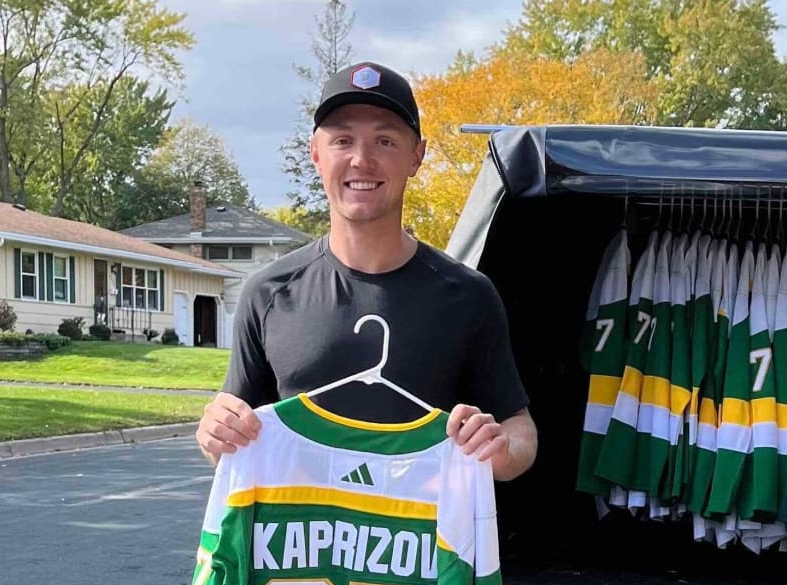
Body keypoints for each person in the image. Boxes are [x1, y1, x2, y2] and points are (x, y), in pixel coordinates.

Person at [194, 61, 537, 481]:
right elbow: (233, 443)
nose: (362, 159)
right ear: (316, 155)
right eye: (343, 140)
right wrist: (217, 433)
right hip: (299, 542)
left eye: (385, 141)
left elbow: (519, 428)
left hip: (426, 542)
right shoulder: (268, 294)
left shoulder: (468, 295)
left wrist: (501, 450)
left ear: (417, 156)